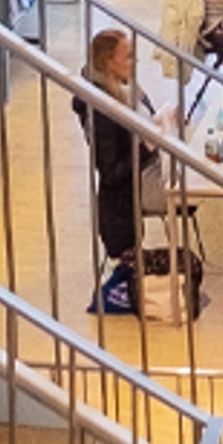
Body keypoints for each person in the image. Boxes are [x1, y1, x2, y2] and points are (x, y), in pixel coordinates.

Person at [76, 29, 162, 315]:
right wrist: (148, 146)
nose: (134, 62)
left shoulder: (124, 92)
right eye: (128, 57)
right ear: (108, 61)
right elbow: (111, 172)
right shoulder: (103, 110)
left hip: (132, 195)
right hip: (123, 205)